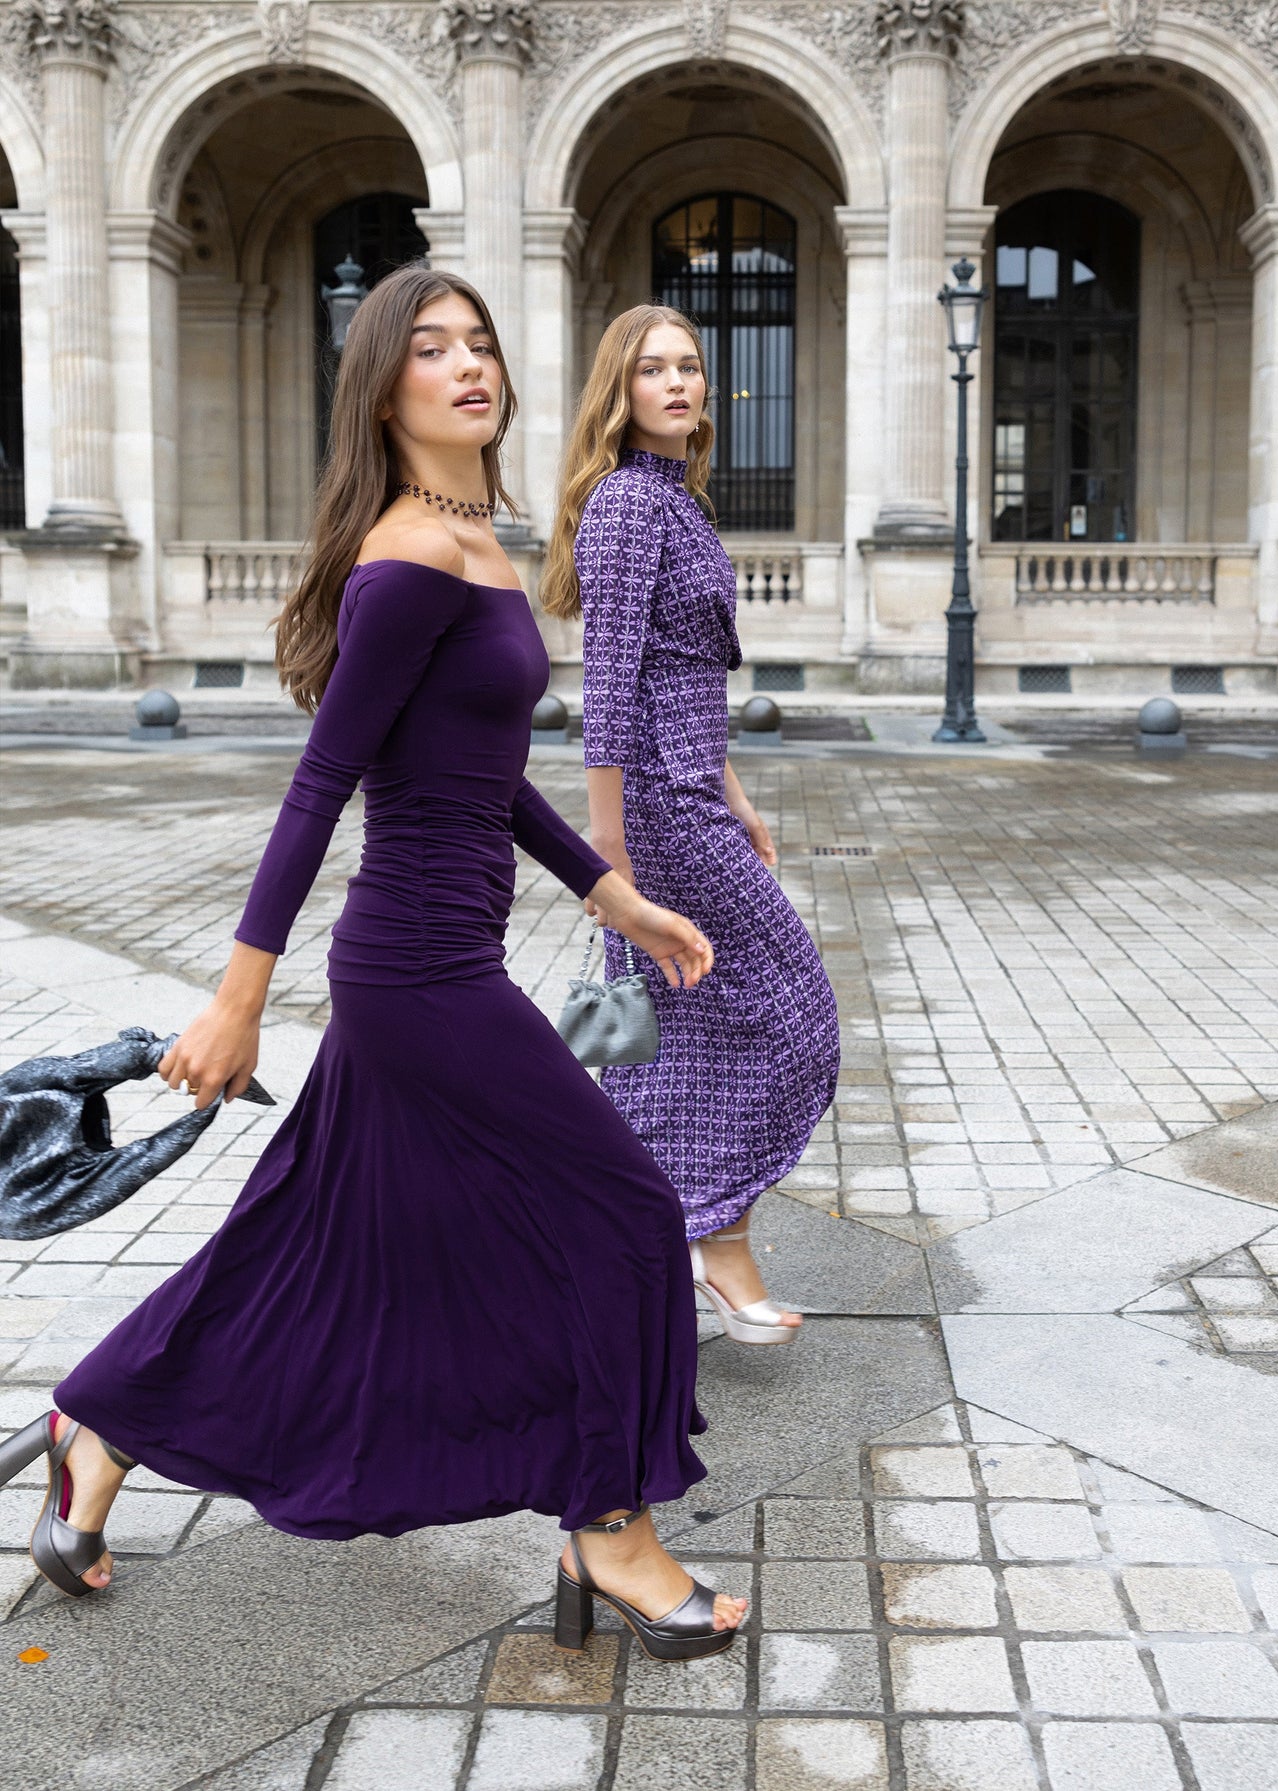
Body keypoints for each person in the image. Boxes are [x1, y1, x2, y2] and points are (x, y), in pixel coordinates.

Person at [0, 267, 746, 1661]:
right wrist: (237, 998)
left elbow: (486, 777)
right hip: (415, 977)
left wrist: (616, 894)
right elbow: (321, 781)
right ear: (382, 386)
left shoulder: (481, 542)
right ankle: (611, 1526)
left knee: (308, 1249)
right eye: (431, 349)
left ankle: (96, 1422)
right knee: (628, 1215)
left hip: (438, 958)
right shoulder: (409, 556)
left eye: (480, 345)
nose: (469, 367)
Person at [540, 306, 840, 1345]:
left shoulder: (680, 503)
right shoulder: (627, 503)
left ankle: (653, 1245)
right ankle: (714, 1244)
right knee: (792, 1009)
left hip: (695, 795)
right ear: (617, 393)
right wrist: (607, 856)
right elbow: (610, 687)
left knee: (686, 1038)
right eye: (651, 369)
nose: (676, 383)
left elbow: (687, 678)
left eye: (689, 366)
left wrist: (738, 791)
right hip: (659, 817)